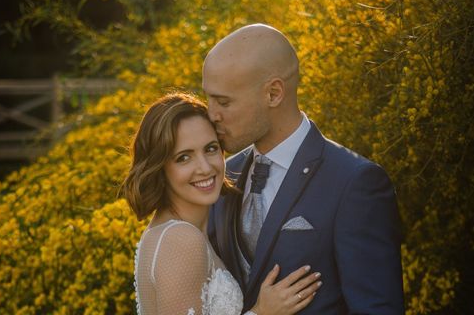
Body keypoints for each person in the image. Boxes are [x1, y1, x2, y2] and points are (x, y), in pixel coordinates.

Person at [204, 24, 404, 314]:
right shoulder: (222, 174)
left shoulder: (354, 182)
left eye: (224, 102)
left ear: (274, 94)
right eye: (208, 97)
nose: (211, 114)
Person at [120, 93, 322, 315]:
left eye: (210, 149)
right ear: (159, 167)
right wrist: (262, 312)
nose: (205, 168)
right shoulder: (181, 240)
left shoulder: (172, 231)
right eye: (183, 158)